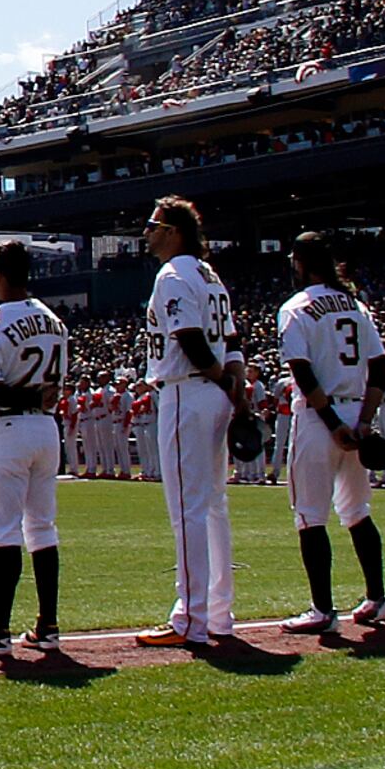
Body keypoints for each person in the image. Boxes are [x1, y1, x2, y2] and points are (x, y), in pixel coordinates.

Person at [273, 231, 385, 638]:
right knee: (358, 512)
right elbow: (380, 368)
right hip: (357, 410)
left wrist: (333, 424)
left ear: (302, 262)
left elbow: (302, 371)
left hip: (318, 417)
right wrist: (363, 421)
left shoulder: (296, 307)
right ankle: (377, 599)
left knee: (310, 516)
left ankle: (323, 609)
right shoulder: (356, 305)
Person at [140, 195, 244, 647]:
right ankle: (218, 613)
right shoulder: (209, 275)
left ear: (174, 232)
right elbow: (234, 340)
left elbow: (189, 336)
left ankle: (190, 617)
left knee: (188, 508)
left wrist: (221, 377)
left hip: (188, 388)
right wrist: (233, 385)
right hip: (213, 392)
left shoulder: (175, 273)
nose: (147, 232)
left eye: (154, 225)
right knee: (213, 505)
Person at [0, 237, 69, 656]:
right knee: (42, 527)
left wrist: (25, 396)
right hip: (46, 430)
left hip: (7, 429)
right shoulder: (54, 319)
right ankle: (47, 624)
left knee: (5, 531)